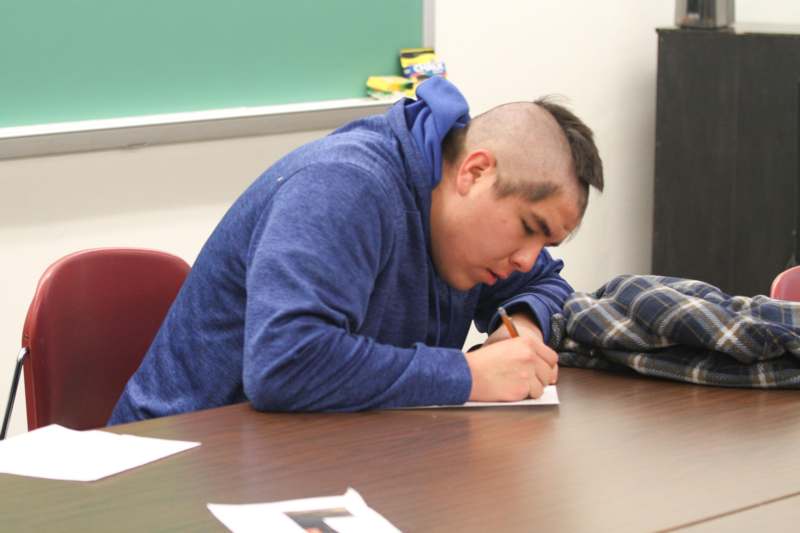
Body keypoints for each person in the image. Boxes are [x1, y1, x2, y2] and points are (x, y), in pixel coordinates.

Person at [109, 77, 603, 424]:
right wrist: (468, 375)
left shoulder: (469, 235)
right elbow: (285, 364)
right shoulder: (343, 188)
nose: (526, 257)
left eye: (546, 242)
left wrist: (523, 330)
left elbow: (545, 283)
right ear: (475, 172)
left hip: (316, 458)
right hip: (179, 468)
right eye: (528, 228)